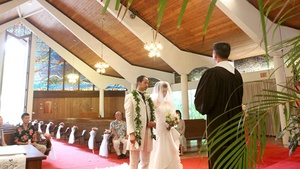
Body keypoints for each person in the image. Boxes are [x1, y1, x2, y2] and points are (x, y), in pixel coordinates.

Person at [194, 42, 244, 169]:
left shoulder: (212, 73)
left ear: (215, 55)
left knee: (220, 158)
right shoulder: (237, 74)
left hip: (218, 126)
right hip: (235, 124)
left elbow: (203, 103)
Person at [125, 75, 156, 169]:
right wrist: (131, 133)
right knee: (134, 161)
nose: (147, 85)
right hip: (137, 131)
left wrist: (154, 122)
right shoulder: (130, 97)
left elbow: (152, 113)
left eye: (148, 83)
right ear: (139, 83)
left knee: (146, 161)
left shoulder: (148, 98)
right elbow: (129, 116)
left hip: (148, 131)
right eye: (145, 82)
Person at [149, 81, 183, 169]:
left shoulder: (168, 102)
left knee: (170, 149)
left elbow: (172, 115)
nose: (164, 93)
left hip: (167, 128)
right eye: (163, 91)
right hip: (158, 128)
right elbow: (150, 115)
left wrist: (172, 123)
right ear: (158, 91)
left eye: (165, 91)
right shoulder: (153, 102)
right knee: (159, 149)